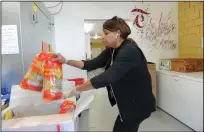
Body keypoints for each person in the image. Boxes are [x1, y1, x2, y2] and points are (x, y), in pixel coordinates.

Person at [53, 16, 156, 132]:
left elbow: (108, 77)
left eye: (106, 33)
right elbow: (90, 64)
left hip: (137, 105)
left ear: (118, 33)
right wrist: (65, 61)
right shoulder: (112, 50)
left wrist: (76, 90)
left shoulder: (129, 51)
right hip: (131, 103)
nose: (103, 37)